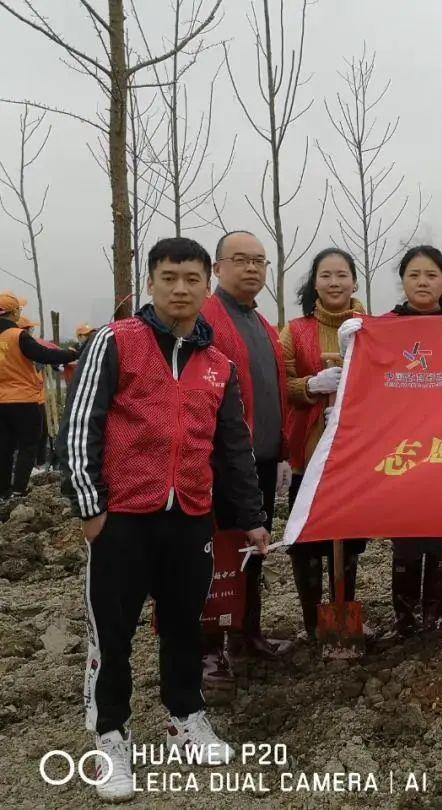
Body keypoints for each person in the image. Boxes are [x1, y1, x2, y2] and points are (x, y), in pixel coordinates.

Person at [57, 237, 270, 802]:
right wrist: (90, 506)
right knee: (115, 631)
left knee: (184, 625)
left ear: (207, 284)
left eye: (192, 278)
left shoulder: (216, 365)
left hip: (190, 517)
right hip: (122, 517)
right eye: (169, 276)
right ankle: (111, 735)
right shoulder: (117, 342)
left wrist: (250, 516)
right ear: (151, 281)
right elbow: (82, 425)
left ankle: (185, 718)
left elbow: (233, 448)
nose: (181, 288)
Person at [338, 245, 442, 637]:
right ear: (402, 280)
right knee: (406, 535)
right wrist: (355, 345)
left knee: (441, 534)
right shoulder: (384, 328)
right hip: (399, 446)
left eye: (431, 274)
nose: (422, 282)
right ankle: (405, 618)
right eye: (414, 274)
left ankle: (435, 614)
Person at [200, 230, 291, 691]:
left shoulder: (263, 323)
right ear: (218, 268)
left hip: (262, 459)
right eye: (241, 260)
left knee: (254, 552)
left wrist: (282, 451)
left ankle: (246, 633)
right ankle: (208, 650)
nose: (252, 268)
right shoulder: (206, 319)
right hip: (220, 463)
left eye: (260, 261)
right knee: (218, 556)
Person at [280, 248, 368, 641]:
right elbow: (280, 385)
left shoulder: (370, 329)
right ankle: (314, 623)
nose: (335, 283)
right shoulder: (295, 331)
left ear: (354, 281)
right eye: (326, 275)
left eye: (342, 275)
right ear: (314, 282)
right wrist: (311, 386)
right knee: (306, 541)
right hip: (308, 452)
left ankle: (344, 611)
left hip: (353, 456)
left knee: (347, 540)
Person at [0, 291, 79, 500]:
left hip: (1, 401)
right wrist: (74, 353)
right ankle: (19, 490)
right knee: (28, 445)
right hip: (24, 400)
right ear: (14, 311)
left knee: (5, 447)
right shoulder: (18, 336)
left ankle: (4, 492)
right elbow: (45, 355)